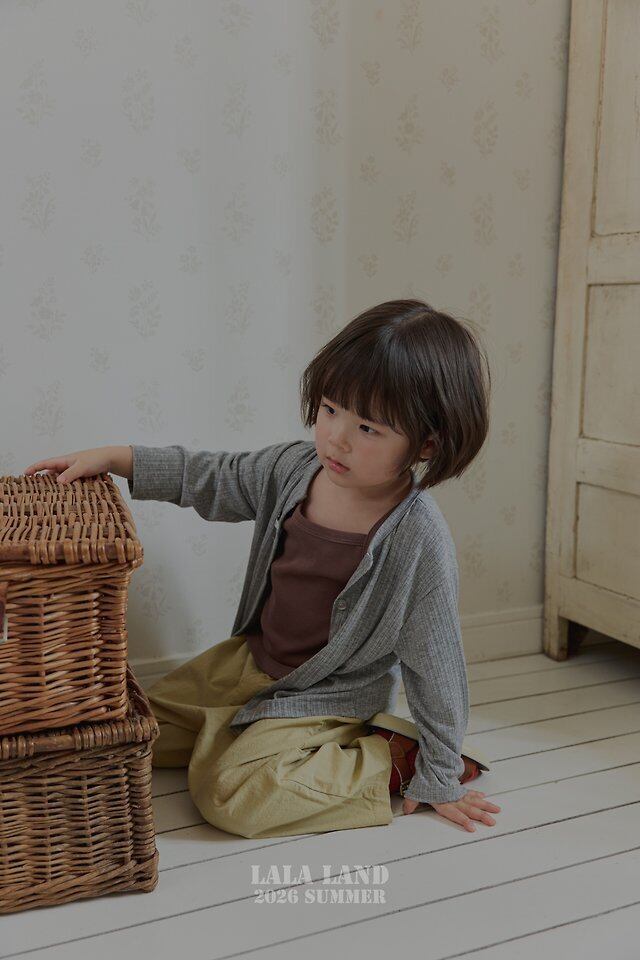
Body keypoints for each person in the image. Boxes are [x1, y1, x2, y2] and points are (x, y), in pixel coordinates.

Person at [23, 298, 501, 840]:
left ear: (427, 443)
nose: (337, 437)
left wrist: (440, 773)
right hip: (249, 663)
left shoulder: (417, 537)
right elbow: (212, 475)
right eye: (330, 409)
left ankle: (391, 757)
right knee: (130, 733)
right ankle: (238, 731)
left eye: (368, 428)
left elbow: (437, 665)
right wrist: (117, 458)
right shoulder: (294, 468)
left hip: (326, 695)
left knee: (231, 796)